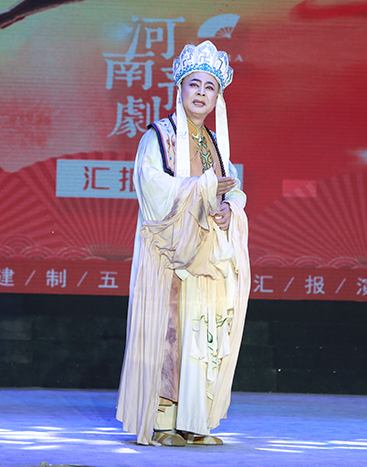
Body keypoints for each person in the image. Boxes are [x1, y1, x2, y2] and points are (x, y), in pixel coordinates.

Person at [116, 40, 250, 447]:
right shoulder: (160, 136)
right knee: (169, 333)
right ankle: (161, 420)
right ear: (180, 88)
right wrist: (204, 188)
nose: (201, 93)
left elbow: (230, 189)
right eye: (195, 84)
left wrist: (228, 208)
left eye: (210, 87)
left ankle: (195, 420)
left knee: (203, 333)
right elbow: (152, 187)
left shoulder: (214, 143)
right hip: (170, 254)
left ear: (217, 96)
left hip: (206, 258)